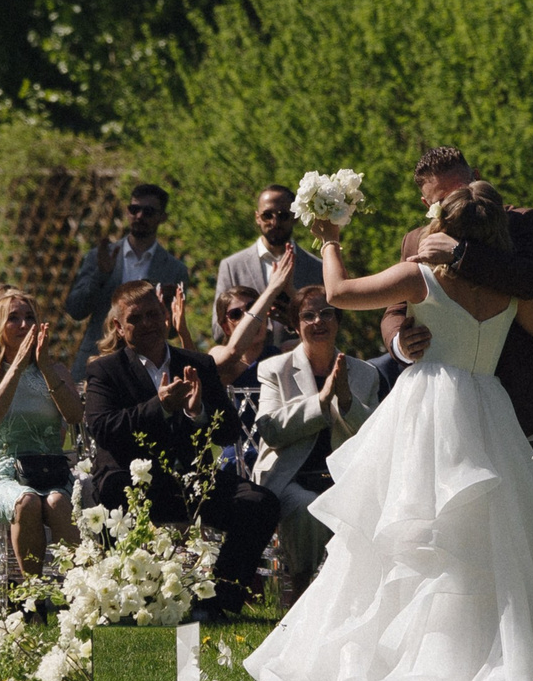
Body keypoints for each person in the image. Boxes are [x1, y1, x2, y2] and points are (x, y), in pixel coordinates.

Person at [244, 183, 533, 681]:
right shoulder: (510, 288)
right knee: (483, 542)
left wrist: (330, 240)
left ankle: (410, 660)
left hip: (430, 407)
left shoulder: (421, 277)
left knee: (409, 535)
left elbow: (337, 293)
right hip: (488, 408)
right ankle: (486, 659)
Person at [80, 279, 279, 616]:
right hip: (131, 485)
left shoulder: (198, 364)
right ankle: (127, 601)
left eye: (153, 315)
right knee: (113, 490)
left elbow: (230, 430)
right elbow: (103, 429)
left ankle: (218, 603)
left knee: (259, 503)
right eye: (135, 318)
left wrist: (197, 411)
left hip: (188, 482)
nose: (146, 324)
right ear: (118, 325)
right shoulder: (105, 370)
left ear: (166, 317)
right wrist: (159, 406)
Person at [381, 146, 533, 451]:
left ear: (476, 178)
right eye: (440, 202)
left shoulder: (523, 223)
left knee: (525, 497)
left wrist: (460, 255)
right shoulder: (415, 240)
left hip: (523, 394)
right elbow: (395, 309)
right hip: (449, 403)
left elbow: (531, 281)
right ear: (425, 203)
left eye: (459, 191)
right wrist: (400, 342)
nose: (454, 206)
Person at [252, 284, 386, 606]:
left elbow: (376, 437)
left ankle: (359, 602)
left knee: (371, 506)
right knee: (305, 506)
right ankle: (299, 592)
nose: (318, 322)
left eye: (326, 313)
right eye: (308, 315)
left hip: (344, 477)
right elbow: (269, 429)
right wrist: (321, 402)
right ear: (296, 326)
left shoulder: (365, 373)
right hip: (291, 476)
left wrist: (347, 400)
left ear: (337, 320)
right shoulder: (275, 369)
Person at [0, 287, 86, 575]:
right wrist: (15, 367)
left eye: (30, 317)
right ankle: (32, 598)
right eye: (13, 318)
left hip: (51, 471)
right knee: (27, 500)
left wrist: (46, 370)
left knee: (57, 502)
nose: (24, 324)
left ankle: (79, 592)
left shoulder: (55, 370)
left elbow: (75, 416)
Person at [64, 183, 191, 378]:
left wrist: (164, 305)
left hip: (148, 368)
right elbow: (75, 309)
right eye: (134, 209)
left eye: (148, 212)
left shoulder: (174, 270)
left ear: (162, 217)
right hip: (98, 358)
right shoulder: (100, 257)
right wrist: (101, 275)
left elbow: (172, 332)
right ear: (127, 212)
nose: (139, 216)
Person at [213, 187, 322, 356]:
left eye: (283, 215)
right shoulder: (232, 266)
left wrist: (293, 322)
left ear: (295, 217)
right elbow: (218, 330)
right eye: (267, 215)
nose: (275, 222)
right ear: (257, 217)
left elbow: (330, 329)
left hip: (299, 368)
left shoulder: (317, 268)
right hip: (247, 370)